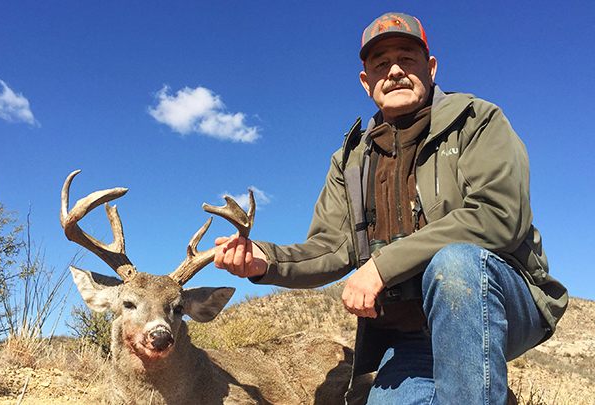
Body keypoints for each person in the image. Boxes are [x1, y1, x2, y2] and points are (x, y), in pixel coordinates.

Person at [214, 12, 568, 405]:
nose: (395, 70)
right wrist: (265, 261)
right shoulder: (349, 161)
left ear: (431, 68)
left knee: (455, 266)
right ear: (367, 82)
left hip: (496, 303)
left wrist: (381, 267)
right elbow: (332, 248)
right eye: (381, 64)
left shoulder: (477, 120)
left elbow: (498, 215)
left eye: (407, 58)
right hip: (410, 334)